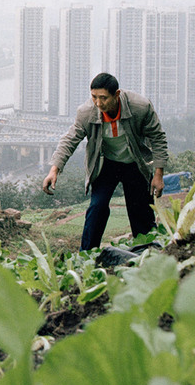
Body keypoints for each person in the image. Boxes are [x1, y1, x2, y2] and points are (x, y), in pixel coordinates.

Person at [42, 72, 169, 251]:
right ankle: (86, 255)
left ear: (116, 95)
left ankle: (148, 254)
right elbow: (70, 139)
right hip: (106, 163)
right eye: (94, 97)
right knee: (97, 207)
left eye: (103, 98)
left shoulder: (140, 107)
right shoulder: (86, 112)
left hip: (135, 163)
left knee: (140, 211)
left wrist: (158, 174)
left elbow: (158, 139)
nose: (98, 103)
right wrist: (54, 169)